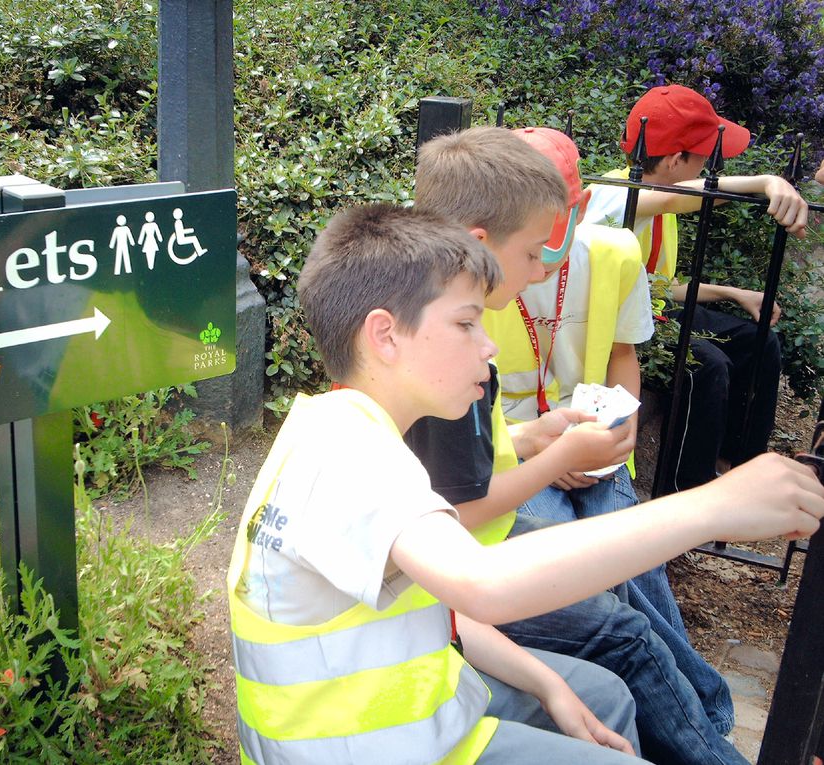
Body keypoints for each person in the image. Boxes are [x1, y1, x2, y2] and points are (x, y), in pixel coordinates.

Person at [227, 201, 824, 765]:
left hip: (403, 727)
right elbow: (484, 585)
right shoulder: (351, 455)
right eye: (466, 324)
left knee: (600, 699)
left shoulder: (342, 429)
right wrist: (715, 506)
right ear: (384, 336)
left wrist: (549, 685)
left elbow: (441, 607)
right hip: (381, 749)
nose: (487, 346)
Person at [407, 125, 739, 762]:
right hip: (456, 576)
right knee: (622, 626)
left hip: (472, 547)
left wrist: (550, 439)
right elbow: (458, 520)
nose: (541, 266)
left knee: (620, 572)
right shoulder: (448, 353)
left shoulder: (435, 315)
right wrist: (554, 454)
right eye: (534, 251)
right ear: (482, 244)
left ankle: (702, 720)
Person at [583, 84, 809, 491]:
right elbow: (672, 200)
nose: (708, 166)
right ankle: (689, 489)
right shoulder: (612, 195)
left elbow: (662, 288)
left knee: (758, 340)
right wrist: (765, 181)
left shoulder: (654, 205)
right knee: (705, 366)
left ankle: (743, 462)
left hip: (652, 312)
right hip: (617, 327)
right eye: (703, 157)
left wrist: (733, 293)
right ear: (674, 160)